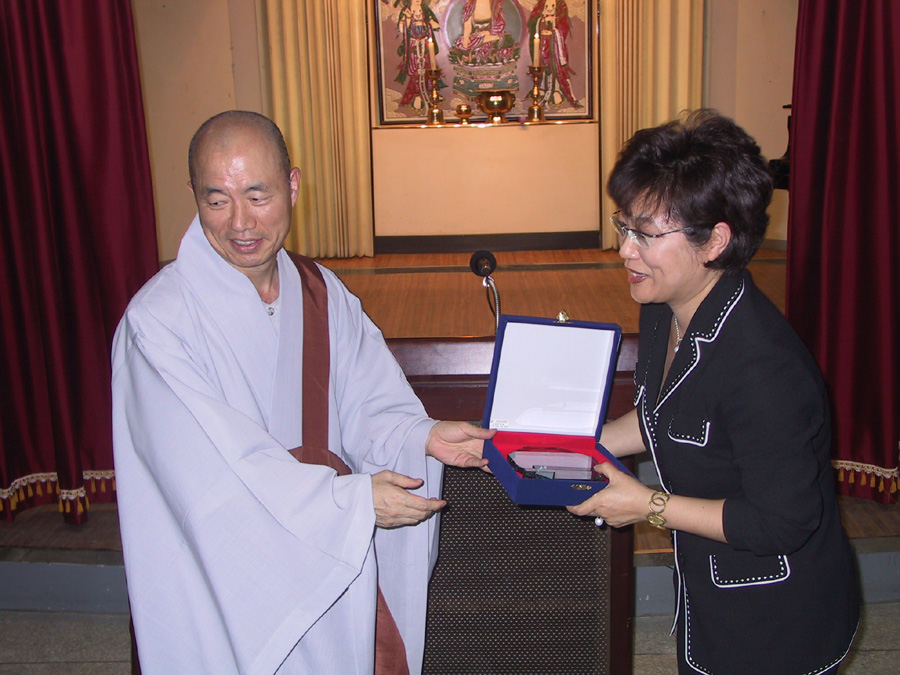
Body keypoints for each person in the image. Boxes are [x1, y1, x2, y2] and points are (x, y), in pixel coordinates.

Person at [111, 110, 494, 674]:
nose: (240, 222)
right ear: (193, 193)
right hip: (226, 579)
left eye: (257, 195)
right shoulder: (159, 323)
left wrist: (422, 436)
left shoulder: (319, 291)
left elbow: (367, 404)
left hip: (328, 556)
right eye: (216, 200)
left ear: (292, 185)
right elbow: (212, 480)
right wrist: (348, 504)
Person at [568, 110, 859, 674]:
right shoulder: (666, 307)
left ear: (715, 242)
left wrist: (648, 505)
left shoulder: (763, 367)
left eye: (646, 233)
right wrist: (571, 442)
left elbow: (781, 522)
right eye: (624, 226)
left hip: (777, 616)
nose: (625, 250)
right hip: (709, 588)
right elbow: (658, 416)